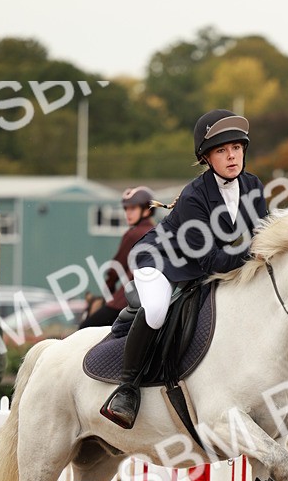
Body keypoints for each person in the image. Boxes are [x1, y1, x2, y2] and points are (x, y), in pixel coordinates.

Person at [100, 108, 268, 429]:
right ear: (206, 157)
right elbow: (212, 261)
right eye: (221, 151)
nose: (232, 156)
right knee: (157, 310)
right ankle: (126, 389)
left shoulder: (252, 186)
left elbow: (263, 233)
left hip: (204, 263)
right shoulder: (194, 196)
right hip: (162, 260)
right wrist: (255, 251)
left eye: (236, 148)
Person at [78, 187, 155, 328]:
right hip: (150, 300)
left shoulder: (133, 234)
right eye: (126, 209)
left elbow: (116, 269)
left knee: (84, 329)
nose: (128, 213)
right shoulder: (157, 232)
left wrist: (108, 294)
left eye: (133, 209)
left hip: (124, 301)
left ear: (146, 210)